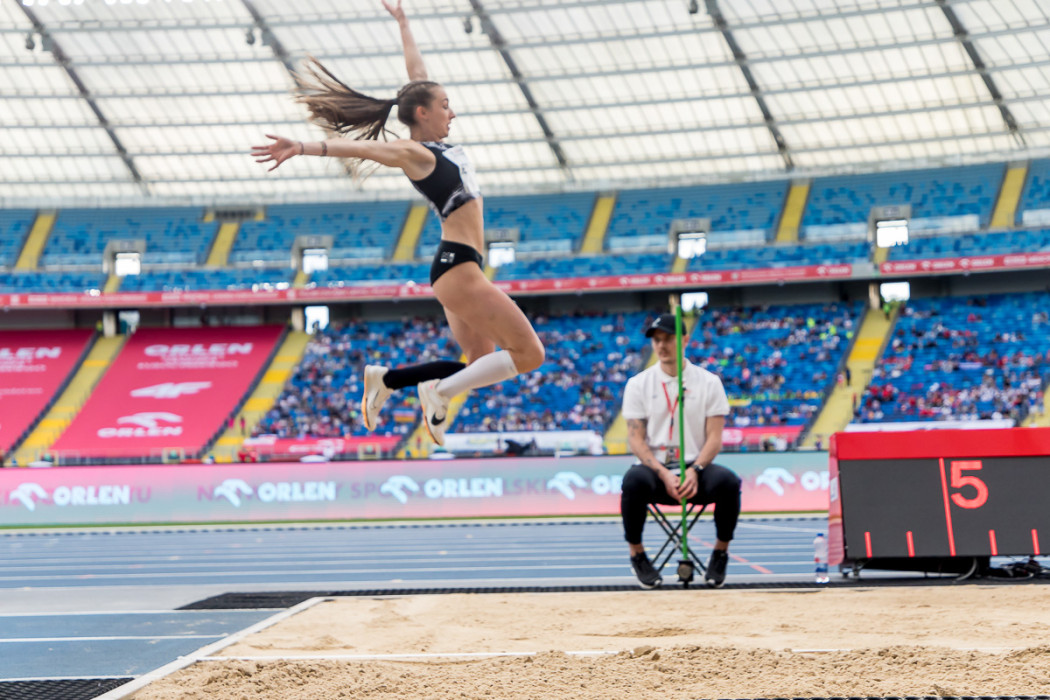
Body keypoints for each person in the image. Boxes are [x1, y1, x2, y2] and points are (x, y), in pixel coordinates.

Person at [251, 0, 544, 446]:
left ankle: (387, 380)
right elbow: (364, 149)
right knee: (529, 353)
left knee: (479, 362)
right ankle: (437, 392)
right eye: (445, 105)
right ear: (423, 113)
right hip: (460, 269)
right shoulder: (414, 153)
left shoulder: (436, 143)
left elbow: (417, 76)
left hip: (455, 268)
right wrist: (303, 147)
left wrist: (404, 24)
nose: (452, 112)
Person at [620, 313, 742, 589]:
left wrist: (695, 470)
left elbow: (715, 438)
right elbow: (636, 440)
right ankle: (637, 555)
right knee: (632, 481)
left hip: (696, 471)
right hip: (656, 473)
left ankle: (720, 553)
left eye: (668, 339)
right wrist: (663, 473)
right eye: (656, 340)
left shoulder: (709, 382)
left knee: (728, 482)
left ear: (685, 340)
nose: (661, 346)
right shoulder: (638, 384)